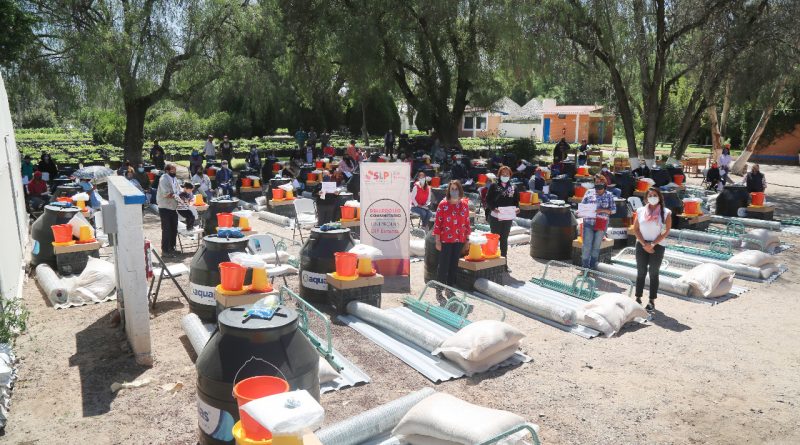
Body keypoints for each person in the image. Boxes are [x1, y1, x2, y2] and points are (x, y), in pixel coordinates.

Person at [632, 187, 672, 312]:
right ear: (646, 198)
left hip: (658, 245)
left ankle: (651, 300)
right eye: (650, 195)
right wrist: (645, 244)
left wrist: (653, 244)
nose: (652, 197)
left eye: (655, 195)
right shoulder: (640, 211)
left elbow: (666, 230)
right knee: (641, 272)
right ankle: (638, 298)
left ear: (659, 197)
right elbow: (636, 229)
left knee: (654, 273)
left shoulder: (666, 212)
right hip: (642, 244)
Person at [433, 180, 471, 303]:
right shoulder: (443, 204)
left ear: (460, 190)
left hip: (459, 239)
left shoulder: (464, 205)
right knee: (443, 266)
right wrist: (437, 241)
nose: (454, 191)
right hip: (446, 240)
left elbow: (467, 223)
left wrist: (467, 240)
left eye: (456, 189)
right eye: (452, 189)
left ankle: (449, 289)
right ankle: (439, 291)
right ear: (449, 190)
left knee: (453, 266)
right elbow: (437, 224)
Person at [579, 174, 616, 269]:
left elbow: (613, 210)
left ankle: (592, 268)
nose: (598, 183)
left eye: (600, 181)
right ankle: (584, 268)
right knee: (586, 246)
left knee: (596, 246)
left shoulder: (609, 195)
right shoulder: (589, 192)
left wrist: (602, 210)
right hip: (588, 222)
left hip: (601, 223)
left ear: (604, 183)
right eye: (596, 182)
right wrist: (580, 211)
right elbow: (582, 205)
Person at [486, 166, 520, 266]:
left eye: (507, 174)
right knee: (494, 239)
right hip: (495, 216)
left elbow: (516, 202)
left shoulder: (513, 187)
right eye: (503, 173)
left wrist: (517, 208)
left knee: (504, 240)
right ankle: (493, 262)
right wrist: (493, 208)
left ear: (510, 175)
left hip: (507, 217)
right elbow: (488, 200)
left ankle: (503, 262)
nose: (505, 175)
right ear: (499, 175)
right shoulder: (494, 186)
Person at [156, 164, 180, 256]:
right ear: (167, 170)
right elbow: (166, 194)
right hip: (164, 207)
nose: (174, 171)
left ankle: (172, 247)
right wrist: (176, 196)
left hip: (173, 207)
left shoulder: (174, 179)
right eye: (172, 170)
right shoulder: (163, 179)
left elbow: (179, 189)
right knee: (166, 229)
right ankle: (165, 250)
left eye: (175, 170)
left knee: (174, 228)